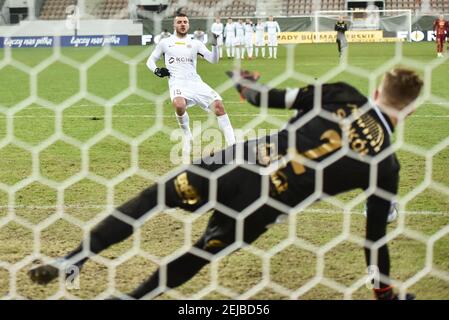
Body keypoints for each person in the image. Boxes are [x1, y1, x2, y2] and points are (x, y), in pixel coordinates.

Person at [28, 67, 422, 300]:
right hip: (264, 205)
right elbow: (373, 242)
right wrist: (383, 292)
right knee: (199, 254)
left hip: (235, 165)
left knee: (152, 199)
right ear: (408, 110)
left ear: (376, 93)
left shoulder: (345, 95)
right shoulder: (386, 166)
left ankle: (73, 260)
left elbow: (261, 97)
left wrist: (241, 81)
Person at [145, 14, 235, 160]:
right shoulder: (165, 43)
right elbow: (150, 60)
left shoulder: (196, 43)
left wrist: (215, 44)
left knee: (219, 106)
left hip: (195, 82)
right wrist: (156, 70)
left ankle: (233, 147)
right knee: (179, 105)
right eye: (179, 22)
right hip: (177, 82)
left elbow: (214, 60)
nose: (182, 24)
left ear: (188, 25)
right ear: (174, 25)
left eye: (185, 22)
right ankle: (187, 135)